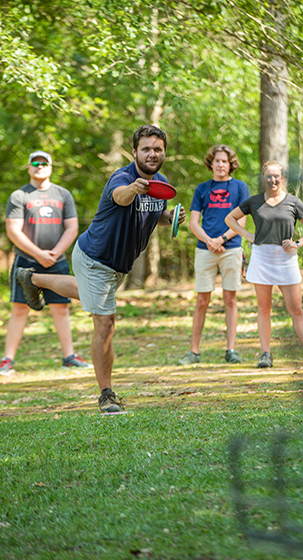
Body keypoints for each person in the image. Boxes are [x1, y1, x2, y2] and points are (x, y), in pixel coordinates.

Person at [15, 126, 186, 412]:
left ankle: (32, 278)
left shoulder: (162, 184)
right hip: (95, 258)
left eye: (157, 149)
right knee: (105, 324)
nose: (152, 154)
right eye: (146, 149)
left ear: (164, 152)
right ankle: (106, 395)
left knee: (87, 294)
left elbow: (153, 216)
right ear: (134, 152)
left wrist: (171, 216)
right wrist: (134, 188)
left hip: (118, 266)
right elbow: (122, 197)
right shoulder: (121, 178)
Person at [225, 161, 303, 369]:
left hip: (286, 259)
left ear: (282, 178)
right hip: (262, 257)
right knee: (264, 307)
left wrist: (298, 243)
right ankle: (266, 354)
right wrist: (247, 235)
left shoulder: (293, 202)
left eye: (276, 176)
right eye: (268, 176)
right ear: (263, 179)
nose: (273, 180)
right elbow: (230, 218)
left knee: (296, 309)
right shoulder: (254, 202)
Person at [0, 150, 92, 376]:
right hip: (26, 261)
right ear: (29, 167)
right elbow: (13, 230)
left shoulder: (63, 194)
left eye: (44, 163)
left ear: (51, 167)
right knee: (20, 309)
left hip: (57, 261)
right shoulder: (19, 196)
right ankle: (7, 360)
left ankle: (69, 357)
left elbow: (72, 227)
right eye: (35, 163)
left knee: (61, 309)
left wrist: (54, 253)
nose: (39, 166)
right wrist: (38, 253)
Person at [178, 144, 250, 366]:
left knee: (230, 298)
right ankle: (194, 352)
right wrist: (209, 241)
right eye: (217, 160)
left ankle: (231, 350)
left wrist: (222, 239)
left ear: (231, 165)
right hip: (205, 249)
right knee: (202, 300)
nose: (220, 164)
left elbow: (242, 221)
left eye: (224, 161)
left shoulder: (240, 187)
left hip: (231, 248)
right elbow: (193, 223)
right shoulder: (202, 189)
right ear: (211, 164)